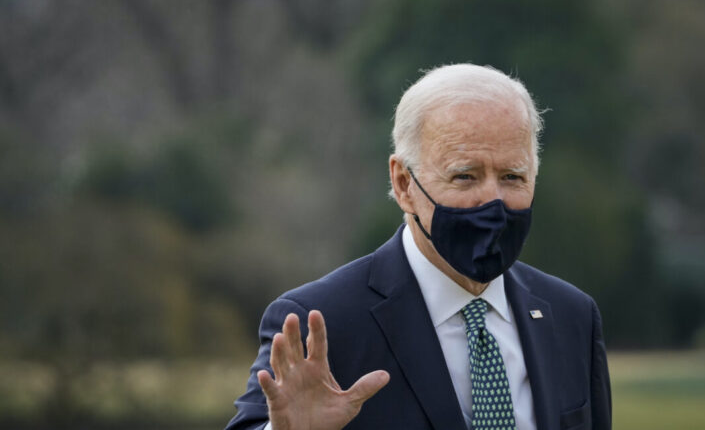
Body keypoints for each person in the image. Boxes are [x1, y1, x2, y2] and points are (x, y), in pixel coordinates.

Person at [225, 63, 611, 430]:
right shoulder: (322, 322)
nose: (492, 201)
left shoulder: (571, 316)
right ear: (404, 184)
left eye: (513, 176)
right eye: (465, 176)